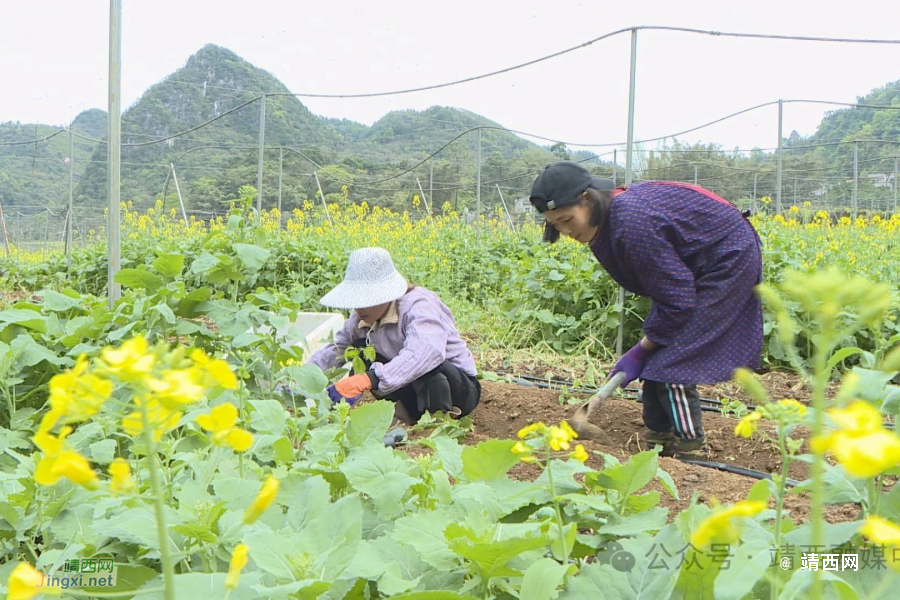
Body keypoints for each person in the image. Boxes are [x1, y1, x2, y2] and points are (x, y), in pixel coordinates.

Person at [529, 161, 763, 460]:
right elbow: (669, 290)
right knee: (661, 352)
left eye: (567, 220)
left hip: (727, 257)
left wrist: (642, 348)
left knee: (675, 360)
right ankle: (657, 437)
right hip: (696, 264)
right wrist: (649, 345)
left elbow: (678, 301)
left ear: (587, 200)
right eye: (555, 225)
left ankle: (691, 449)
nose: (565, 231)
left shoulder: (631, 223)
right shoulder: (606, 221)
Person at [307, 247, 480, 426]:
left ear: (386, 293)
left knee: (430, 367)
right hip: (411, 390)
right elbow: (337, 349)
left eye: (366, 299)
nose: (359, 308)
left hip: (457, 390)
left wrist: (369, 379)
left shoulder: (419, 306)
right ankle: (405, 418)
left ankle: (438, 424)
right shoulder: (360, 317)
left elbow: (426, 352)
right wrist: (300, 378)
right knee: (359, 348)